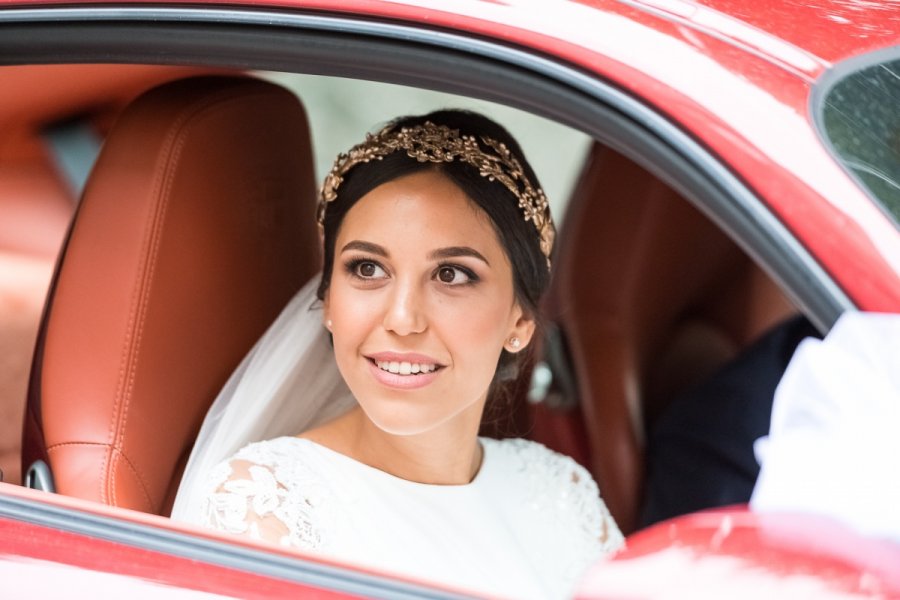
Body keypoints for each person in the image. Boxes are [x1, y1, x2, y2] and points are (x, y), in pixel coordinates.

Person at [172, 110, 623, 599]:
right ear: (327, 303)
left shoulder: (558, 492)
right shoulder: (266, 507)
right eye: (367, 268)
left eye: (451, 275)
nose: (402, 319)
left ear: (519, 322)